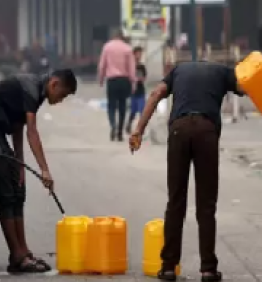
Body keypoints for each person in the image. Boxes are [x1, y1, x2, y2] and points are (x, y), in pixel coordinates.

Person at [129, 61, 245, 282]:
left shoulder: (178, 71)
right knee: (206, 204)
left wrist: (139, 131)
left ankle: (168, 267)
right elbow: (246, 86)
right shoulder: (223, 72)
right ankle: (208, 269)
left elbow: (155, 93)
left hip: (179, 131)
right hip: (206, 131)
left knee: (175, 201)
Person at [0, 69, 77, 274]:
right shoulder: (31, 89)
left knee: (18, 191)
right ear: (54, 84)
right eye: (63, 95)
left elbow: (17, 127)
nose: (61, 100)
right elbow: (32, 132)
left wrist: (19, 164)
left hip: (1, 134)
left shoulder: (37, 92)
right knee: (7, 195)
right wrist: (44, 170)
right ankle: (17, 256)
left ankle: (23, 252)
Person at [99, 30, 136, 141]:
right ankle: (120, 131)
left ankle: (113, 125)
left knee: (111, 105)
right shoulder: (127, 48)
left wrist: (101, 79)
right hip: (124, 80)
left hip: (112, 80)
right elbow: (131, 68)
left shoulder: (107, 47)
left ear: (114, 36)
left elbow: (102, 65)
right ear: (122, 37)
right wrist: (133, 82)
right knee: (122, 106)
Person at [127, 46, 147, 134]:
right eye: (137, 54)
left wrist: (141, 79)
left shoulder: (142, 66)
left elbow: (144, 77)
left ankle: (140, 128)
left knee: (142, 110)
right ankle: (129, 125)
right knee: (133, 111)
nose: (139, 56)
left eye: (140, 54)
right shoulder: (130, 66)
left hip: (141, 90)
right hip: (133, 92)